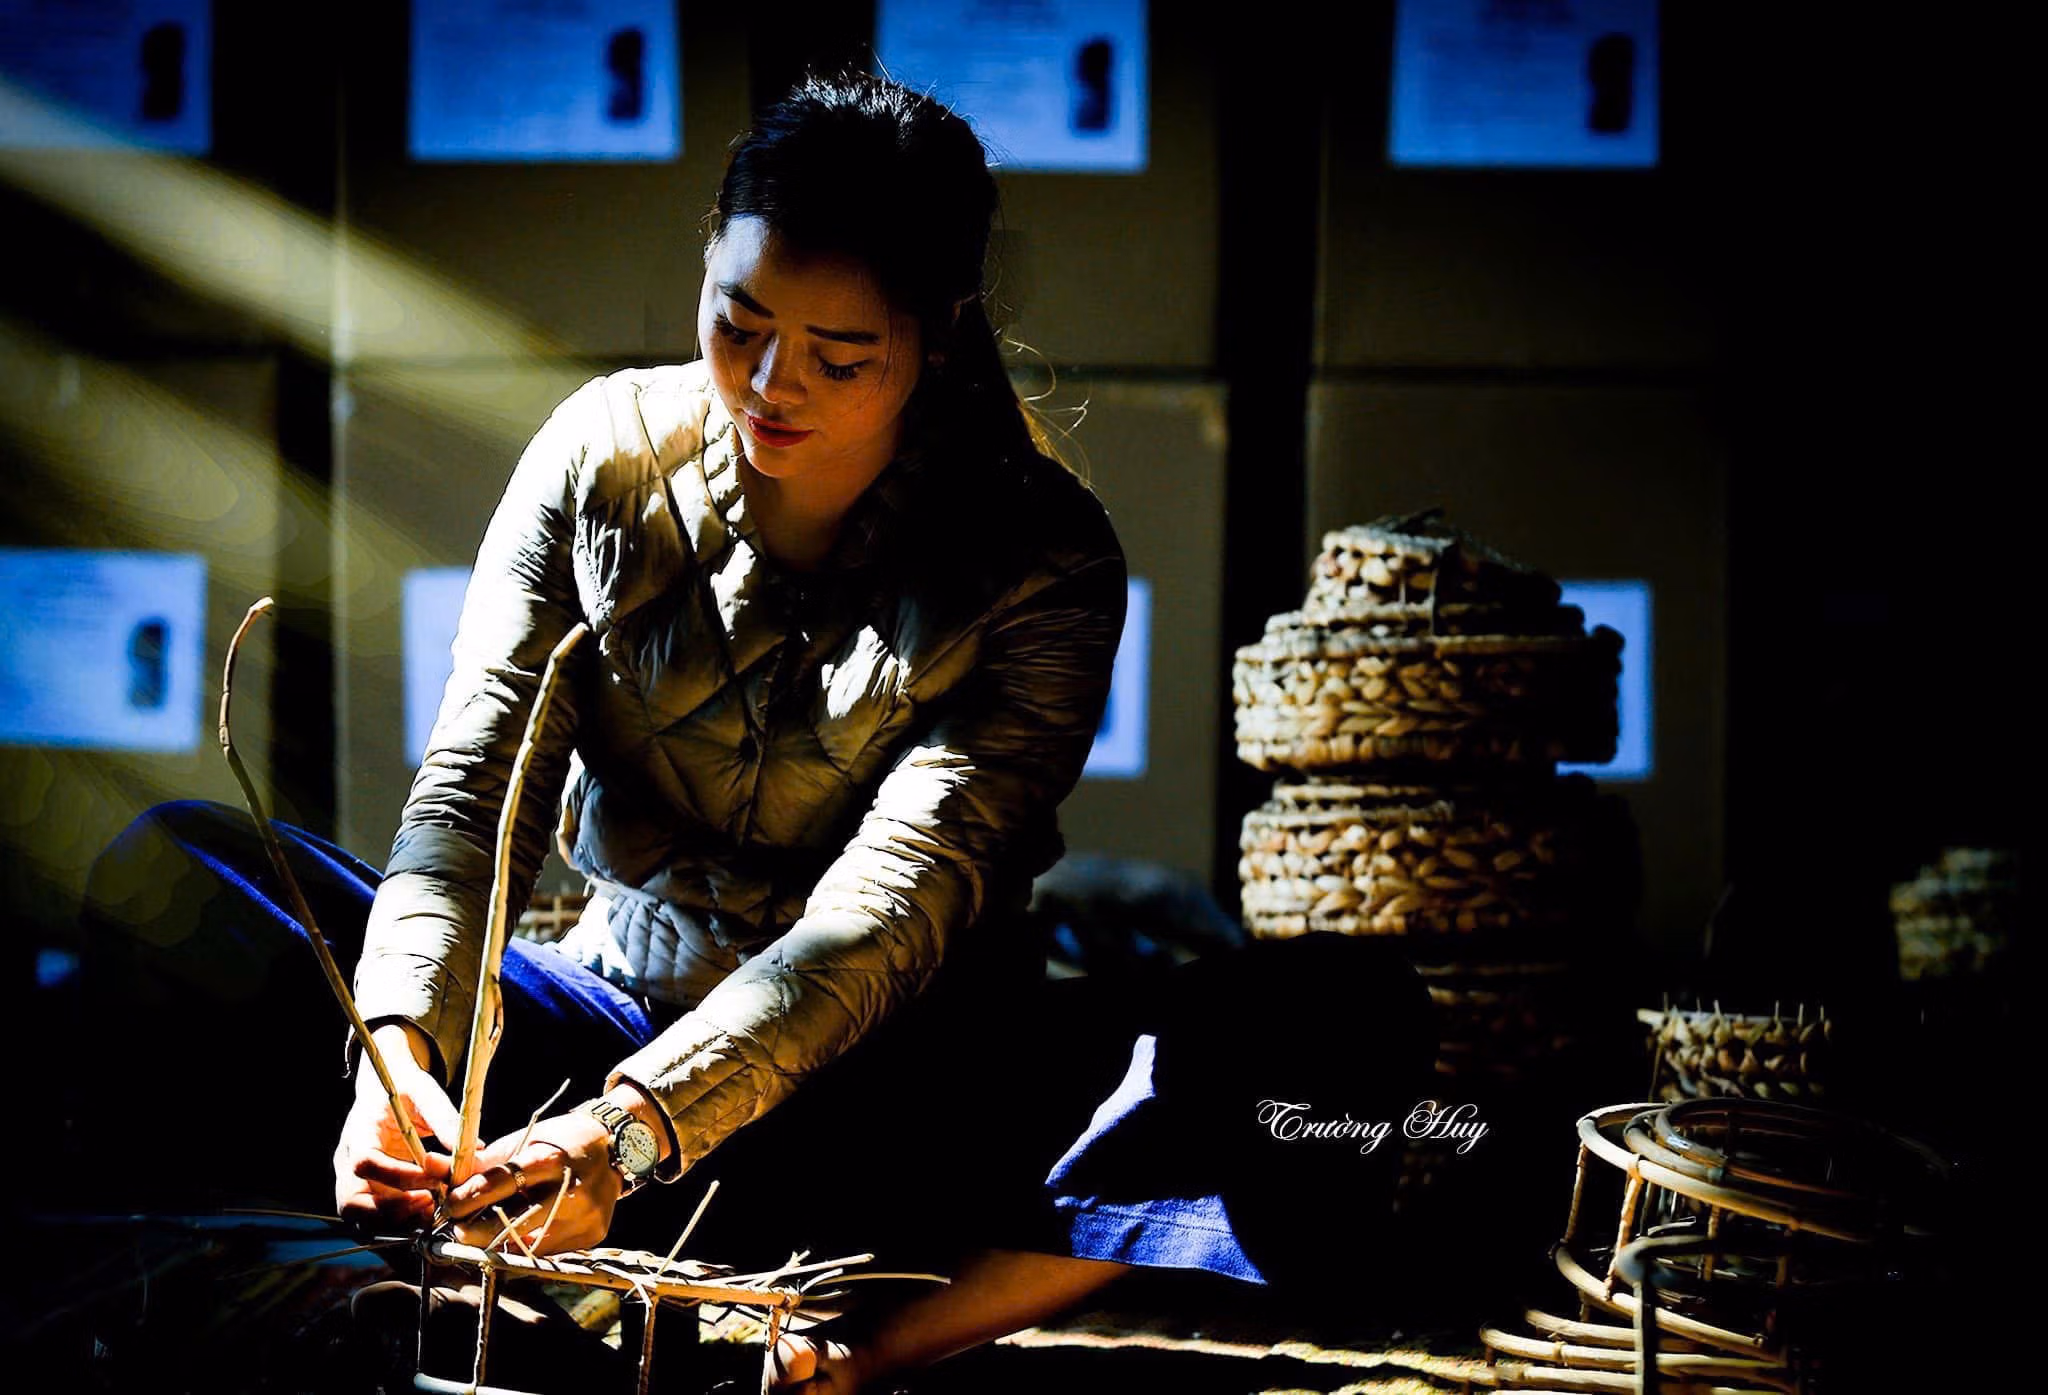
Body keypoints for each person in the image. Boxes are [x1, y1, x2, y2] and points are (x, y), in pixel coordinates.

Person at [77, 71, 1437, 1394]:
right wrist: (402, 1059)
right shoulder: (599, 460)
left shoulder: (1045, 560)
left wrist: (633, 1133)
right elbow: (470, 794)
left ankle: (873, 1345)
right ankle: (415, 1242)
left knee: (1336, 1028)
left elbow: (886, 915)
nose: (772, 384)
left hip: (890, 1104)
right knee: (177, 869)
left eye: (840, 356)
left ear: (941, 332)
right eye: (739, 323)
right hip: (596, 1038)